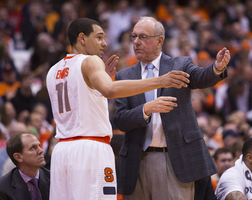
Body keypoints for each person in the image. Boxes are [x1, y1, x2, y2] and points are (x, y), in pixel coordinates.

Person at [46, 18, 189, 200]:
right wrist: (160, 80)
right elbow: (110, 89)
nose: (104, 43)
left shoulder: (53, 70)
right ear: (82, 38)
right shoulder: (90, 61)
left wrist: (98, 81)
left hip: (62, 152)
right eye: (98, 37)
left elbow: (83, 99)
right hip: (90, 149)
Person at [114, 16, 230, 199]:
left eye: (142, 37)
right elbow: (120, 119)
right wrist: (146, 109)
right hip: (137, 160)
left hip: (173, 157)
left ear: (160, 40)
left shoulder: (180, 64)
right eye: (134, 36)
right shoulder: (124, 76)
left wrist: (216, 68)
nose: (136, 42)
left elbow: (200, 77)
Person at [0, 132, 50, 200]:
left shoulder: (53, 178)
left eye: (39, 146)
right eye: (33, 148)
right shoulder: (0, 188)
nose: (41, 151)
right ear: (18, 157)